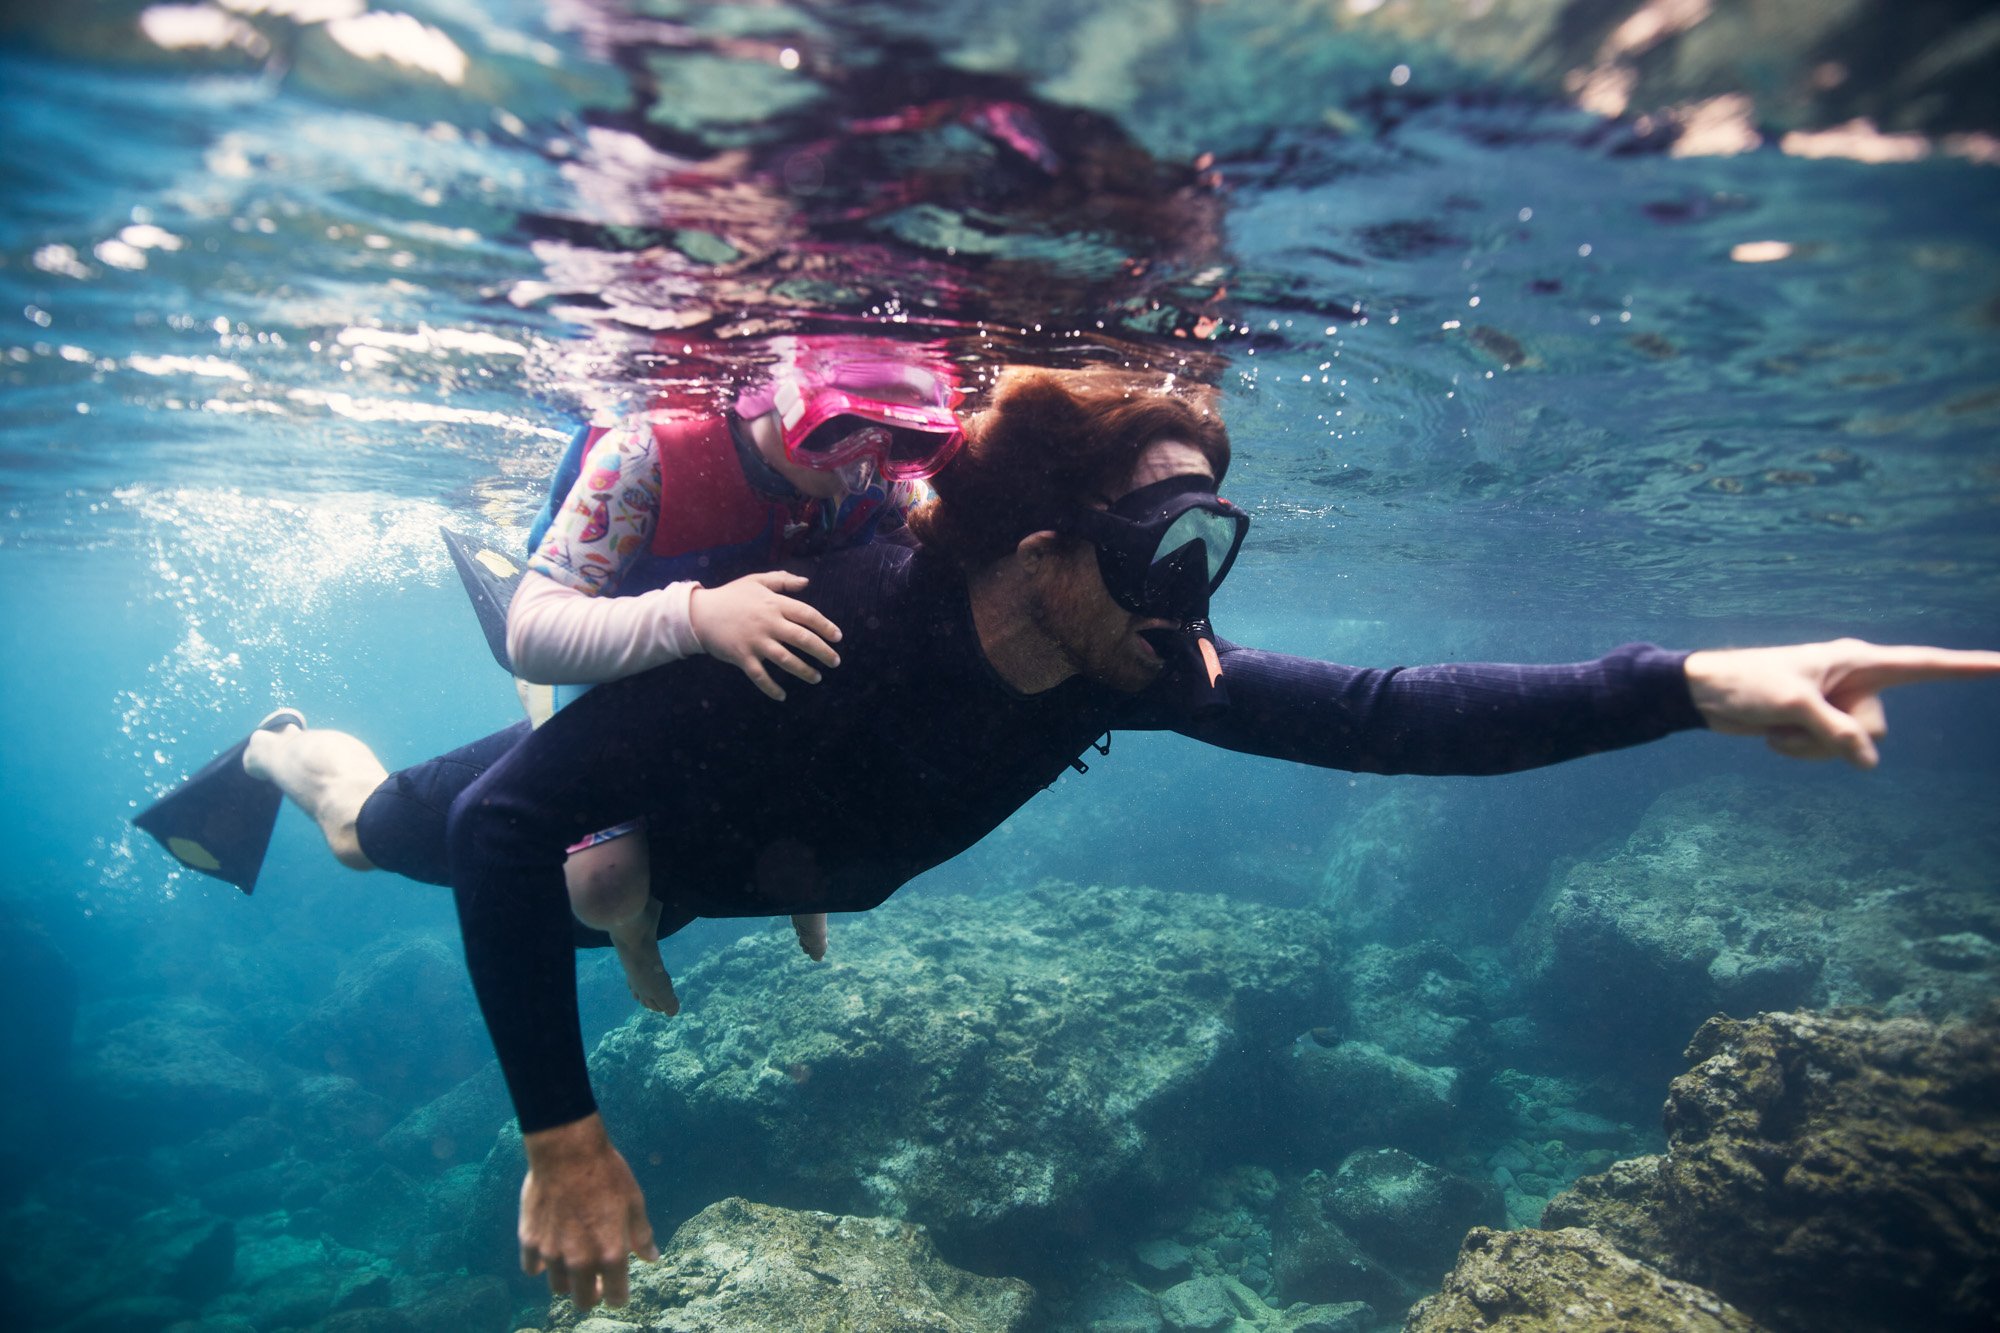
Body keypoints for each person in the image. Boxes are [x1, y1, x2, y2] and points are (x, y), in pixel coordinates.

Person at [136, 366, 2000, 1311]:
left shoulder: (1116, 667)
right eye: (1166, 552)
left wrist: (1691, 682)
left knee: (606, 883)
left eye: (1213, 547)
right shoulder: (831, 623)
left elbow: (1387, 713)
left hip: (732, 858)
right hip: (648, 789)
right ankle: (288, 742)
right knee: (400, 835)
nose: (1196, 598)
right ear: (1040, 556)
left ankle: (620, 893)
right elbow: (521, 813)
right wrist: (564, 1133)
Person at [502, 339, 962, 1013]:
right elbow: (530, 633)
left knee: (844, 804)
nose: (863, 473)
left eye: (895, 444)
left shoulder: (881, 487)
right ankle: (635, 935)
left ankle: (806, 889)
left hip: (757, 666)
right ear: (782, 400)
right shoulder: (646, 453)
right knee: (605, 886)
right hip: (623, 657)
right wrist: (697, 616)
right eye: (841, 438)